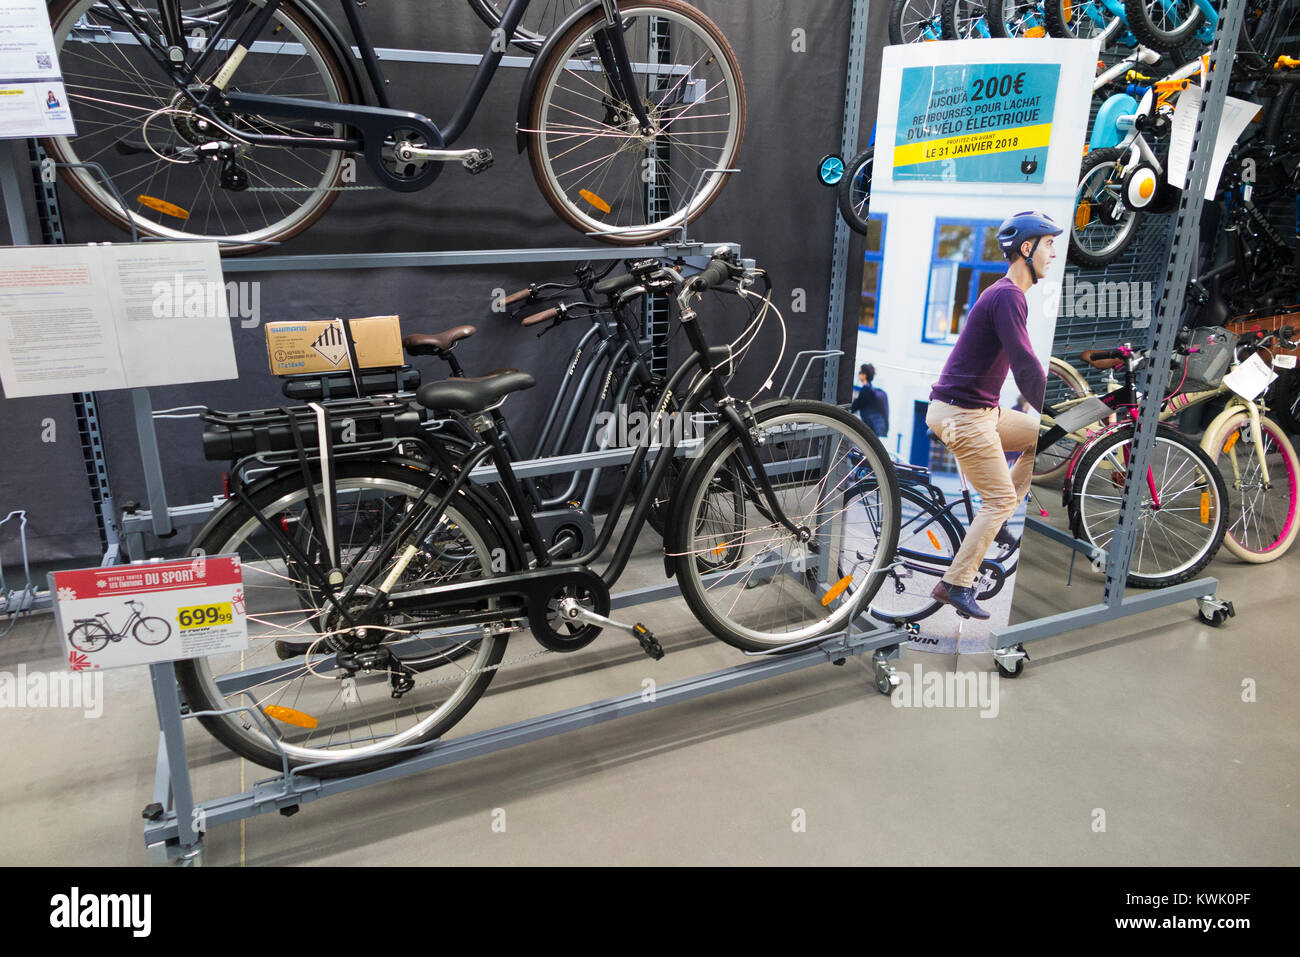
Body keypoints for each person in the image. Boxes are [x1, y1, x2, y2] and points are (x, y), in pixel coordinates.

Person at [925, 211, 1060, 620]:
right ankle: (955, 583)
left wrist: (1047, 417)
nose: (1053, 253)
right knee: (999, 497)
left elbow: (1025, 363)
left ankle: (998, 521)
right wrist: (1052, 405)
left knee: (1040, 437)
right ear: (1027, 248)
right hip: (960, 415)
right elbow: (1024, 363)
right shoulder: (1006, 296)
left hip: (982, 412)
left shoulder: (1007, 296)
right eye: (1049, 244)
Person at [852, 363, 889, 438]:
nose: (858, 375)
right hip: (873, 426)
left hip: (868, 425)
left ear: (864, 375)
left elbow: (855, 406)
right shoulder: (870, 390)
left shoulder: (866, 390)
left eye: (860, 372)